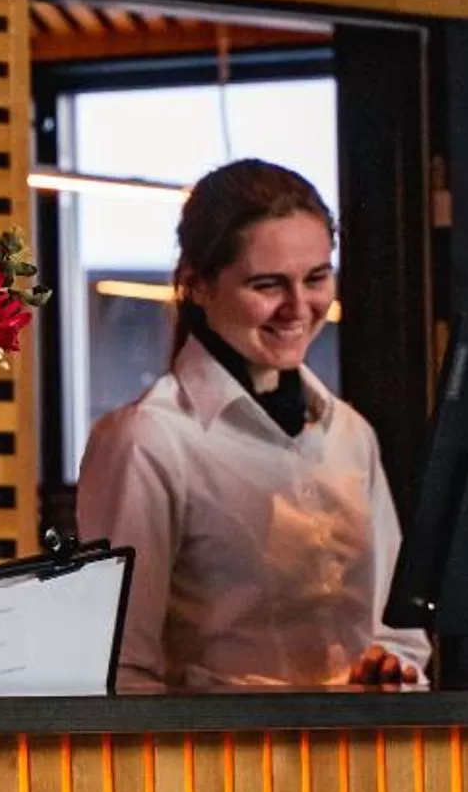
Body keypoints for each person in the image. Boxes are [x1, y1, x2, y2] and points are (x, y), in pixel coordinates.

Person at [76, 159, 431, 692]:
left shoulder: (350, 433)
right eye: (268, 285)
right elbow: (122, 669)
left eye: (316, 278)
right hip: (221, 764)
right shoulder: (148, 439)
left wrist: (389, 670)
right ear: (196, 284)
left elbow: (399, 633)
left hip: (365, 758)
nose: (298, 307)